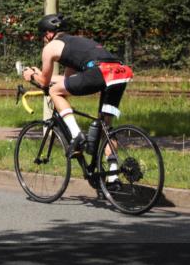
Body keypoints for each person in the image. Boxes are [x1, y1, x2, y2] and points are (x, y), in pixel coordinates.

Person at [21, 14, 133, 185]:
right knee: (106, 127)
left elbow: (45, 82)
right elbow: (65, 82)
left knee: (54, 92)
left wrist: (31, 75)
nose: (43, 40)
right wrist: (42, 77)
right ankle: (113, 175)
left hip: (99, 72)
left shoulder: (50, 48)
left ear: (49, 34)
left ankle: (76, 135)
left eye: (42, 36)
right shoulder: (75, 44)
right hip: (119, 73)